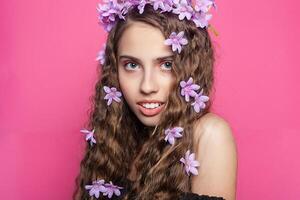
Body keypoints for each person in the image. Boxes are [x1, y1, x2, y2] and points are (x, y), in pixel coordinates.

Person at [73, 1, 237, 199]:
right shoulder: (116, 139)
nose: (147, 86)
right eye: (132, 65)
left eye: (167, 64)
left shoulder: (209, 135)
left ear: (191, 67)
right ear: (114, 70)